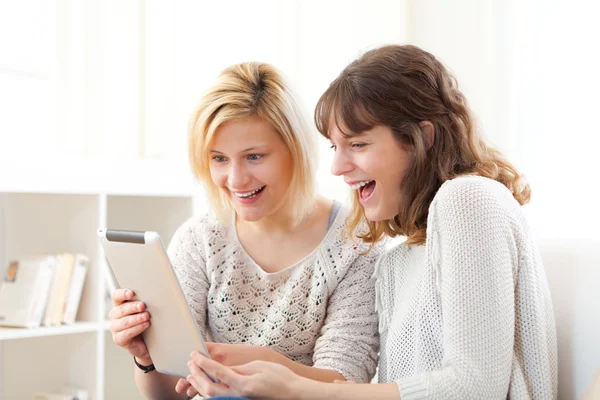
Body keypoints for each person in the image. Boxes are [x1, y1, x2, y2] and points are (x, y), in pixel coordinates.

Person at [185, 45, 558, 399]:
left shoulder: (468, 199)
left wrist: (300, 388)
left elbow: (475, 388)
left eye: (358, 145)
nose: (337, 167)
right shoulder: (399, 259)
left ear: (421, 140)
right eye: (336, 147)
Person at [108, 62, 382, 399]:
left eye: (254, 156)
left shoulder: (356, 243)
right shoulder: (200, 240)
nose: (236, 180)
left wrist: (265, 362)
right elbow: (170, 394)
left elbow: (343, 385)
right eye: (219, 159)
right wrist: (147, 358)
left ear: (294, 151)